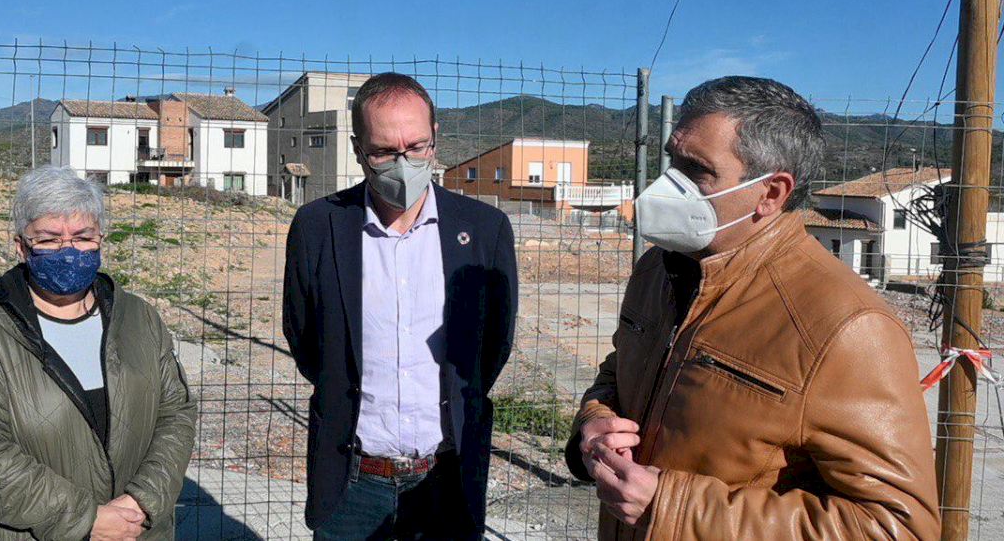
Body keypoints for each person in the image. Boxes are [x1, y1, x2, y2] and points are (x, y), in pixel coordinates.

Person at [564, 77, 940, 540]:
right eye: (672, 161)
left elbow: (898, 527)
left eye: (696, 170)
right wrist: (595, 421)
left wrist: (673, 508)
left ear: (771, 193)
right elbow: (619, 370)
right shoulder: (658, 268)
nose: (667, 185)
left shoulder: (846, 326)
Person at [283, 72, 519, 539]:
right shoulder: (317, 227)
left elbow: (493, 345)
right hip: (351, 483)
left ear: (435, 140)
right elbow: (305, 338)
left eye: (416, 147)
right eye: (384, 152)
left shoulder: (484, 229)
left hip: (447, 479)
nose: (403, 162)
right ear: (358, 150)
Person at [0, 165, 197, 540]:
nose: (68, 251)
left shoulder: (139, 319)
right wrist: (87, 519)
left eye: (83, 237)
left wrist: (143, 503)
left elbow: (175, 414)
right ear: (21, 246)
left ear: (101, 239)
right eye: (49, 239)